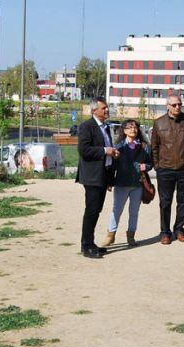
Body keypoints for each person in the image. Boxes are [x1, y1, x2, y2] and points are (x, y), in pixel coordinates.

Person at [151, 95, 184, 244]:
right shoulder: (159, 123)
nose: (177, 107)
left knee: (183, 201)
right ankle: (165, 232)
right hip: (165, 169)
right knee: (165, 202)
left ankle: (179, 229)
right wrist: (157, 165)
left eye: (179, 104)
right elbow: (154, 147)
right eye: (174, 105)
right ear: (167, 106)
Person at [76, 97, 119, 259]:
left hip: (103, 175)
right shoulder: (87, 126)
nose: (107, 110)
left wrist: (112, 153)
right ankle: (86, 245)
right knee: (92, 210)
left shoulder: (105, 127)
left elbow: (106, 149)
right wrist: (104, 151)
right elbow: (84, 150)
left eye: (107, 108)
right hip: (92, 176)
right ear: (94, 110)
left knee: (96, 210)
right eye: (104, 108)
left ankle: (91, 242)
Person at [100, 119, 153, 247]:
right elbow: (112, 166)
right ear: (124, 130)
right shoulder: (118, 147)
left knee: (134, 212)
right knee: (116, 210)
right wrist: (109, 181)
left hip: (138, 184)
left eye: (135, 127)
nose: (133, 130)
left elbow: (151, 163)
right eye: (129, 127)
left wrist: (146, 166)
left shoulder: (145, 146)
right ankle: (110, 235)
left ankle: (131, 236)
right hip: (121, 184)